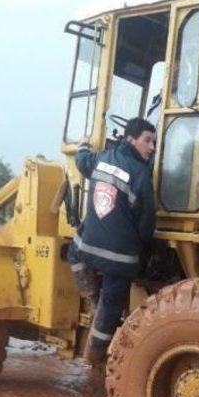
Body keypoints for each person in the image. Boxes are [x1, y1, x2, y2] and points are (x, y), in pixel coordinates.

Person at [69, 117, 156, 366]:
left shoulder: (102, 158)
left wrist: (84, 144)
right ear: (131, 139)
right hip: (121, 258)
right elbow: (147, 222)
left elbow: (82, 162)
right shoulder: (141, 175)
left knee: (73, 250)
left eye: (154, 143)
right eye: (147, 141)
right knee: (112, 307)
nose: (151, 148)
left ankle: (91, 296)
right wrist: (140, 251)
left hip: (89, 248)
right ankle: (93, 357)